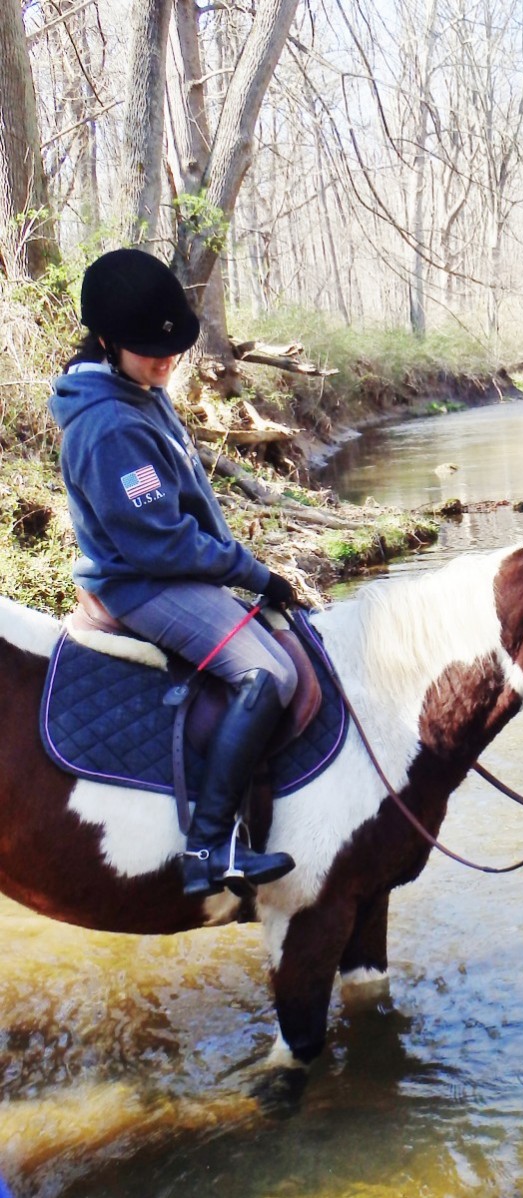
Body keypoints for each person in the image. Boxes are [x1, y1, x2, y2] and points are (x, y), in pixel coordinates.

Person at [49, 247, 298, 898]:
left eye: (171, 351)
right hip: (143, 583)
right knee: (270, 673)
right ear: (106, 341)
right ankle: (211, 849)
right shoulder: (107, 426)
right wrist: (251, 571)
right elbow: (159, 545)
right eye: (149, 351)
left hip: (171, 566)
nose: (166, 363)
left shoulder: (133, 386)